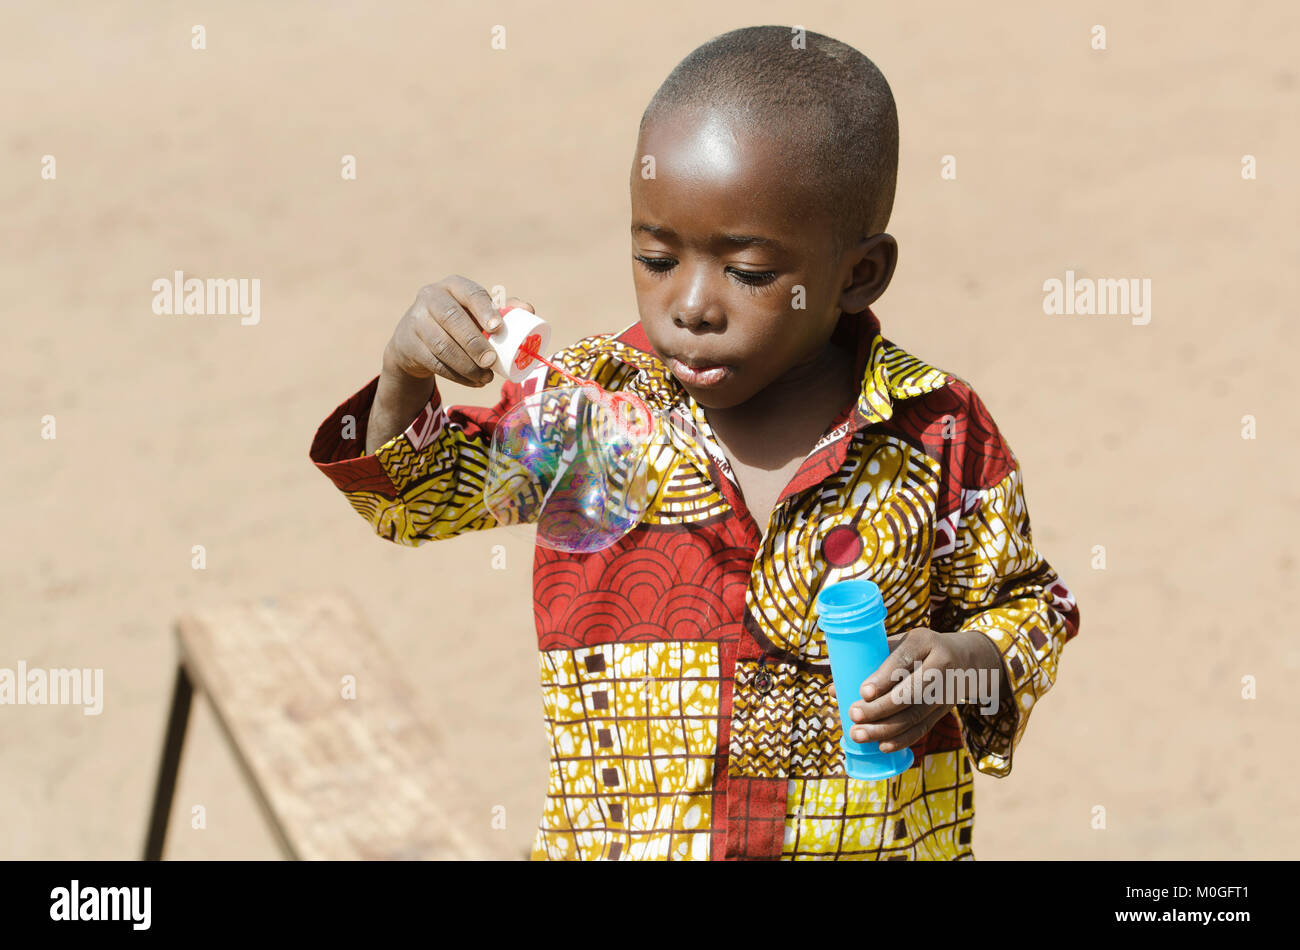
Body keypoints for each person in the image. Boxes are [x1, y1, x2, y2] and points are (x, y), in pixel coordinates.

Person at [309, 25, 1080, 860]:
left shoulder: (935, 430)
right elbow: (408, 500)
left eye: (747, 272)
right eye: (655, 256)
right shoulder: (590, 411)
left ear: (858, 275)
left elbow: (1035, 609)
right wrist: (405, 374)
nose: (691, 305)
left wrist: (965, 664)